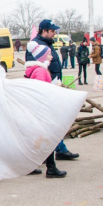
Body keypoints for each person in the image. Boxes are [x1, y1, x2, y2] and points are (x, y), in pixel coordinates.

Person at [27, 19, 79, 160]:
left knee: (53, 122)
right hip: (46, 89)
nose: (55, 33)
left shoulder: (48, 43)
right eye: (52, 31)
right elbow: (36, 68)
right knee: (49, 122)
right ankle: (47, 155)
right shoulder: (37, 46)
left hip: (53, 85)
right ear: (44, 31)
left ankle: (58, 150)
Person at [25, 42, 67, 178]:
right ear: (42, 57)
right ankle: (51, 167)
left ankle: (34, 166)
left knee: (41, 138)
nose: (51, 56)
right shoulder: (41, 71)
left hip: (38, 109)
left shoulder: (38, 69)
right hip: (42, 109)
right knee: (48, 138)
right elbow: (40, 90)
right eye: (49, 54)